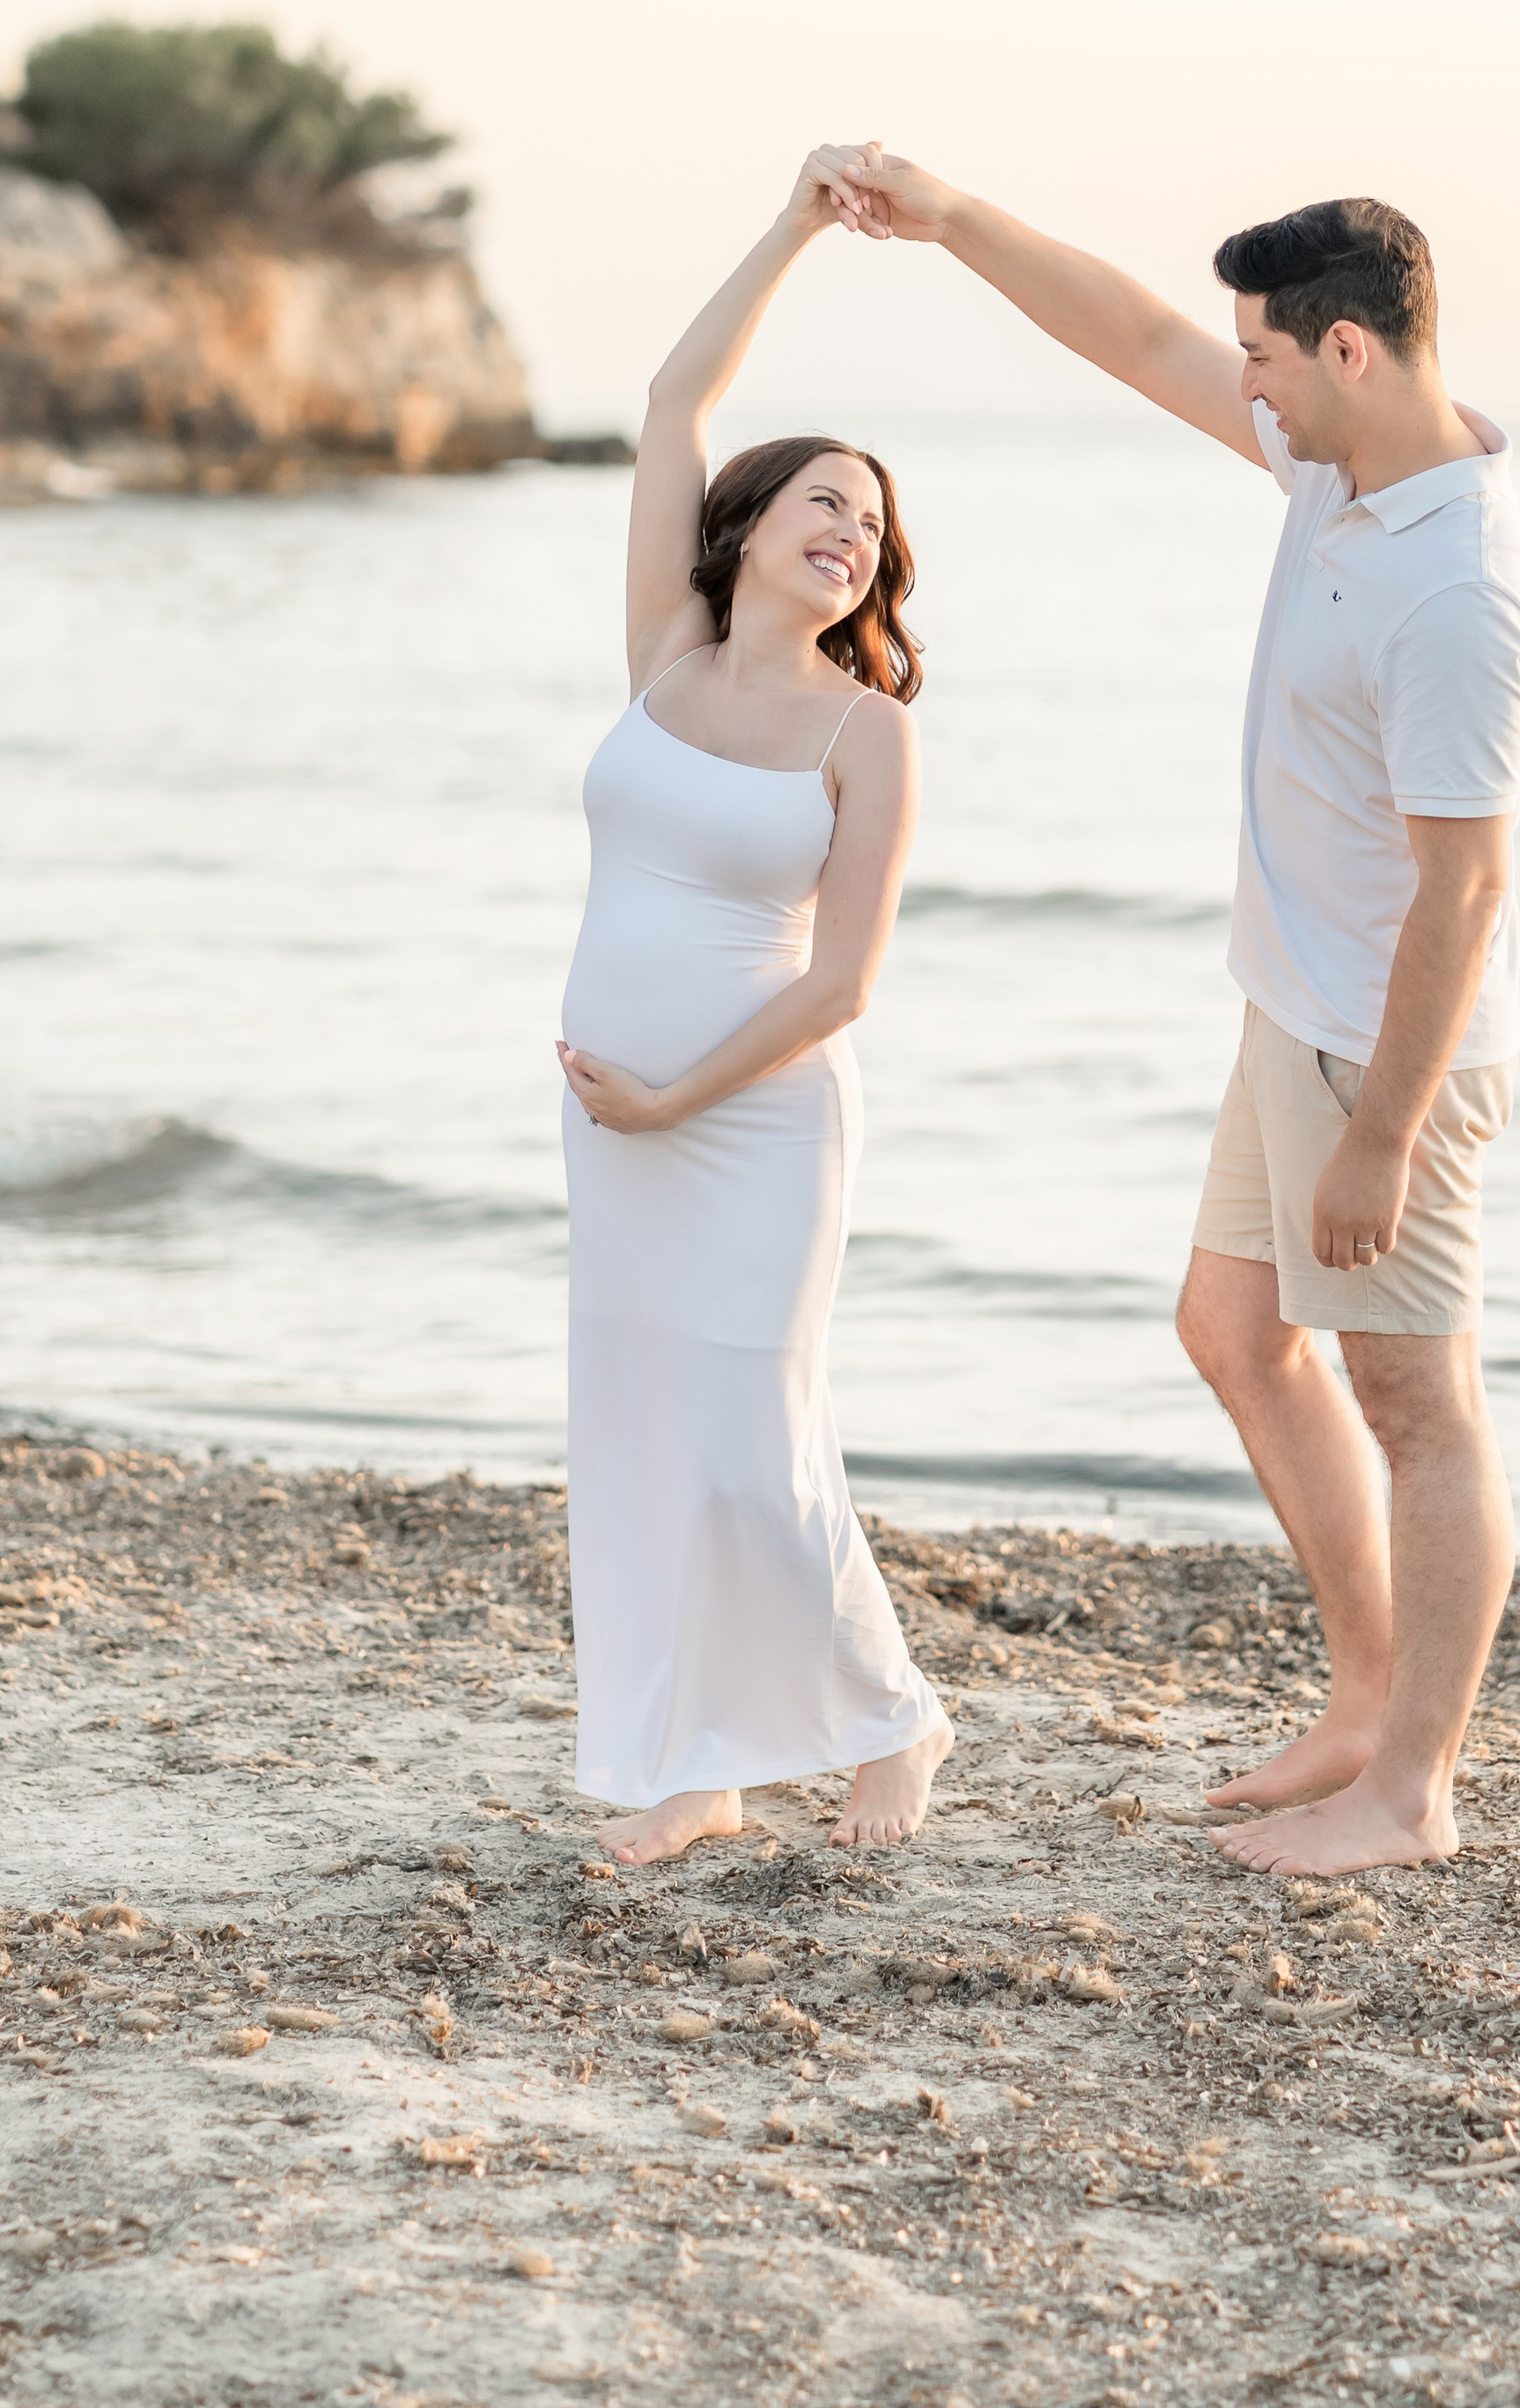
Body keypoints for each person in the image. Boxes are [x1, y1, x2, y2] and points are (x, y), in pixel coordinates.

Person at [817, 151, 1520, 1880]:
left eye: (1268, 355)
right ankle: (1366, 1701)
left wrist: (1378, 1129)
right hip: (1285, 1009)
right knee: (1232, 1333)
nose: (1243, 380)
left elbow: (1462, 893)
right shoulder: (1340, 474)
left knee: (1417, 1403)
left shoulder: (1456, 588)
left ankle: (1413, 1792)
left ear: (1351, 351)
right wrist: (950, 219)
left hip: (1379, 1050)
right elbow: (1138, 337)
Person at [556, 151, 952, 1867]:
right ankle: (695, 1771)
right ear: (750, 518)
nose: (845, 529)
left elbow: (844, 983)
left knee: (746, 1435)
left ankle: (895, 1716)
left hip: (753, 1118)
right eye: (820, 498)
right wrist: (795, 226)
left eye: (866, 524)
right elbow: (670, 393)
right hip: (616, 1118)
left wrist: (669, 1098)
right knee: (639, 1431)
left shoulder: (864, 734)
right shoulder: (664, 652)